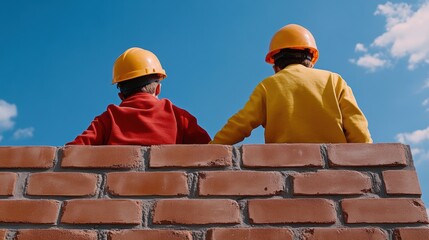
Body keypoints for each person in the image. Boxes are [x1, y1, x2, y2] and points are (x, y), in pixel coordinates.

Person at [211, 24, 372, 144]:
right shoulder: (334, 80)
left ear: (275, 66)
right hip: (336, 170)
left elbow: (240, 124)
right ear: (310, 60)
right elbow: (358, 129)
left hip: (284, 172)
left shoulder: (268, 85)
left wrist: (211, 148)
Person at [67, 47, 211, 145]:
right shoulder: (178, 116)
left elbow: (73, 150)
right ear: (158, 88)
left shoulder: (108, 118)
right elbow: (211, 151)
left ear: (121, 95)